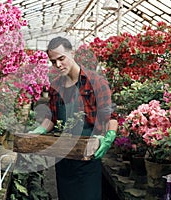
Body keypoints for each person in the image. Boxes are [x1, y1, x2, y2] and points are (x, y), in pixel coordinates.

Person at [29, 36, 117, 200]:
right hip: (63, 159)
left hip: (87, 158)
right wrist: (39, 129)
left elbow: (110, 117)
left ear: (72, 53)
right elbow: (53, 118)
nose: (58, 65)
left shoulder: (96, 82)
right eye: (53, 61)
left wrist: (109, 137)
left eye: (61, 58)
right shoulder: (56, 86)